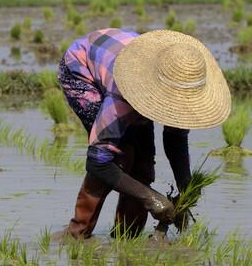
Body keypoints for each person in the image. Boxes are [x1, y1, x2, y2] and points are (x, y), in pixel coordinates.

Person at [58, 28, 230, 239]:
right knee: (121, 156)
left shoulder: (181, 86)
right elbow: (98, 161)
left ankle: (126, 237)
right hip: (81, 69)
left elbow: (175, 139)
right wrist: (151, 199)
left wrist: (186, 188)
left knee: (144, 163)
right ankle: (77, 233)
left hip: (123, 59)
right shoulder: (123, 93)